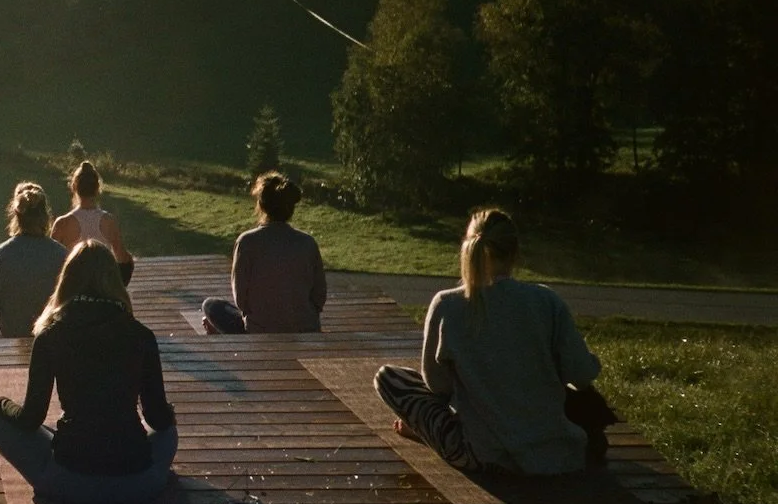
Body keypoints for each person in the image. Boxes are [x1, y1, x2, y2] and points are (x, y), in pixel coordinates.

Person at [374, 208, 615, 474]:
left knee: (388, 378)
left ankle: (425, 430)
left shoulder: (447, 304)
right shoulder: (547, 301)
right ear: (515, 253)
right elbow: (582, 374)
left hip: (483, 455)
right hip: (554, 454)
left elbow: (437, 385)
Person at [0, 241, 178, 504]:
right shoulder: (140, 335)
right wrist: (170, 412)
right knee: (169, 432)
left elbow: (31, 419)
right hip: (138, 480)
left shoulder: (51, 335)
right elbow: (158, 419)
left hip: (70, 478)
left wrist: (0, 405)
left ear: (67, 280)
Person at [200, 172, 327, 334]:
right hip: (305, 327)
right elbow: (319, 296)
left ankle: (220, 331)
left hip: (261, 329)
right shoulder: (308, 242)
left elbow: (241, 300)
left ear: (261, 205)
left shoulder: (247, 241)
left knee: (211, 305)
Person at [0, 182, 68, 339]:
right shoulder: (62, 255)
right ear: (45, 216)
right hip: (49, 336)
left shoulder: (0, 254)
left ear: (16, 216)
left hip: (10, 333)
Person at [51, 161, 134, 285]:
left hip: (71, 288)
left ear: (74, 187)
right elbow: (122, 258)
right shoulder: (108, 221)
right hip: (101, 286)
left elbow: (51, 263)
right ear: (97, 189)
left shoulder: (62, 223)